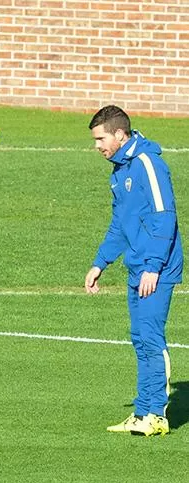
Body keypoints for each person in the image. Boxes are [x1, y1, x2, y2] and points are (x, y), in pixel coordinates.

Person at [85, 105, 183, 436]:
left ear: (119, 134)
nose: (97, 146)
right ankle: (142, 412)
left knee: (151, 337)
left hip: (157, 268)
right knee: (139, 338)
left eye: (101, 139)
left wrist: (154, 267)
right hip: (138, 266)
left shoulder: (147, 164)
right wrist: (100, 262)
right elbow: (119, 224)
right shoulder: (119, 171)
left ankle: (157, 414)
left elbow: (163, 216)